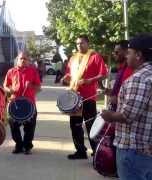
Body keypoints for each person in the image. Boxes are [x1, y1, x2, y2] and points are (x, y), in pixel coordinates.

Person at [101, 34, 152, 180]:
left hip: (134, 150)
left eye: (129, 53)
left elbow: (127, 116)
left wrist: (109, 115)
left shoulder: (139, 79)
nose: (126, 56)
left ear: (138, 55)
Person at [61, 35, 108, 159]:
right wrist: (66, 78)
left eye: (82, 43)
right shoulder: (73, 58)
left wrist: (90, 80)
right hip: (74, 97)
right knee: (75, 125)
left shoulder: (95, 57)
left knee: (91, 125)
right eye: (77, 43)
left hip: (88, 97)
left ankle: (97, 151)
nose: (79, 45)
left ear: (88, 43)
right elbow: (69, 73)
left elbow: (103, 74)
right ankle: (80, 151)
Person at [3, 51, 41, 155]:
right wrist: (9, 90)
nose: (23, 60)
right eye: (21, 58)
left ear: (28, 61)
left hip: (29, 104)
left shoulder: (33, 71)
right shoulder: (11, 71)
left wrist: (31, 86)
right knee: (13, 125)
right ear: (17, 60)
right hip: (15, 103)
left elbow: (38, 88)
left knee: (30, 127)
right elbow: (5, 86)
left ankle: (27, 146)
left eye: (25, 59)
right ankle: (19, 145)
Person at [104, 40, 133, 111]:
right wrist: (108, 91)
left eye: (117, 52)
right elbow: (120, 91)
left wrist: (117, 99)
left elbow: (130, 94)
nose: (114, 54)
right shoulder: (121, 68)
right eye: (114, 52)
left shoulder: (129, 69)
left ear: (126, 52)